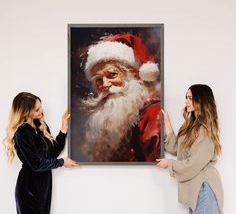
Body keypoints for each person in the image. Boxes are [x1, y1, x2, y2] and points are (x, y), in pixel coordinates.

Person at [80, 33, 161, 162]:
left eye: (112, 74)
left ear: (132, 75)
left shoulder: (153, 114)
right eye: (99, 80)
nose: (105, 85)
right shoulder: (103, 124)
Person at [4, 92, 78, 214]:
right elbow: (36, 164)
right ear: (26, 112)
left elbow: (52, 153)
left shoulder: (40, 126)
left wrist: (63, 129)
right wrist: (62, 162)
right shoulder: (23, 132)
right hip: (29, 188)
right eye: (37, 109)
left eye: (41, 106)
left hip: (43, 185)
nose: (42, 111)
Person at [156, 84, 223, 214]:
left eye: (190, 98)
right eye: (186, 97)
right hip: (195, 190)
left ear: (200, 100)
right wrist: (168, 124)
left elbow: (194, 164)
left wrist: (169, 164)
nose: (186, 101)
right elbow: (178, 149)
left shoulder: (205, 131)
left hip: (204, 188)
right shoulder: (191, 127)